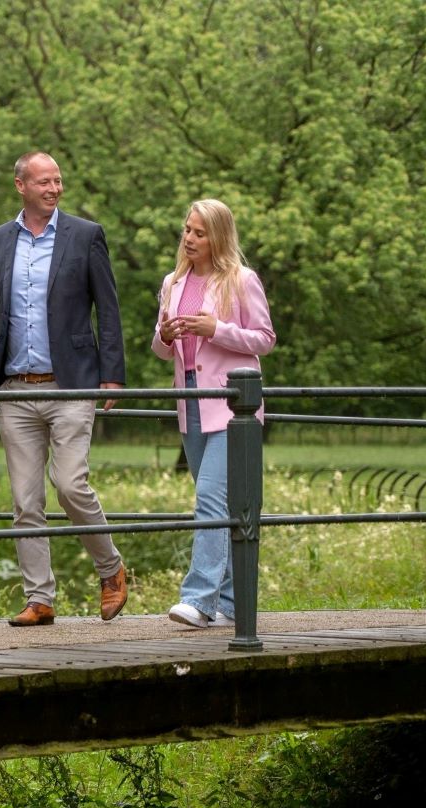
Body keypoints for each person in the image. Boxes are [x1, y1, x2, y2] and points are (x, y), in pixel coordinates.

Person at [0, 151, 130, 627]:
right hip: (15, 388)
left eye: (58, 181)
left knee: (70, 484)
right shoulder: (0, 240)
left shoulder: (85, 234)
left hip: (72, 383)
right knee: (25, 501)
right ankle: (40, 599)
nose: (54, 189)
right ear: (20, 185)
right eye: (44, 182)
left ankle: (112, 569)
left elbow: (109, 307)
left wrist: (112, 372)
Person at [151, 198, 276, 629]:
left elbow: (264, 339)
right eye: (187, 229)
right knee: (219, 504)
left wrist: (216, 329)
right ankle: (230, 605)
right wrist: (165, 335)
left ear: (218, 237)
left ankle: (198, 599)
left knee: (210, 498)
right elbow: (161, 346)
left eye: (200, 233)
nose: (189, 238)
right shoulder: (173, 281)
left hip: (231, 405)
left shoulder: (241, 280)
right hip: (189, 401)